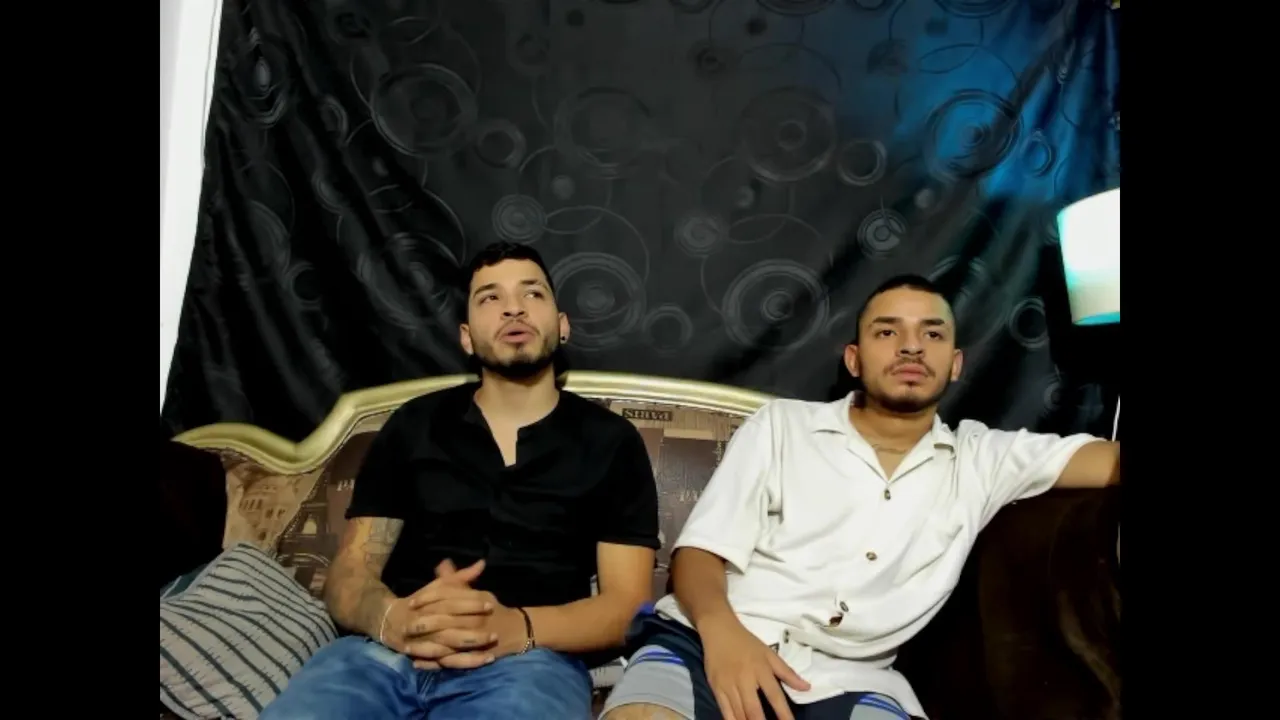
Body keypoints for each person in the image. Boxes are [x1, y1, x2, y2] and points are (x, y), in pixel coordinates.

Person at [600, 274, 1121, 720]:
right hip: (709, 639)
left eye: (932, 333)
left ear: (956, 363)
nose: (912, 347)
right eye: (887, 332)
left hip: (850, 678)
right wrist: (723, 636)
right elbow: (699, 553)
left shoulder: (983, 458)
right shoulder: (783, 425)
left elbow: (1110, 461)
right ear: (854, 358)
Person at [261, 242, 660, 719]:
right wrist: (393, 619)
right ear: (467, 339)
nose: (513, 307)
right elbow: (349, 573)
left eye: (532, 293)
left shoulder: (612, 441)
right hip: (381, 656)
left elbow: (627, 606)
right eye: (490, 297)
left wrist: (517, 627)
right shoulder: (413, 425)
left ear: (562, 325)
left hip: (529, 664)